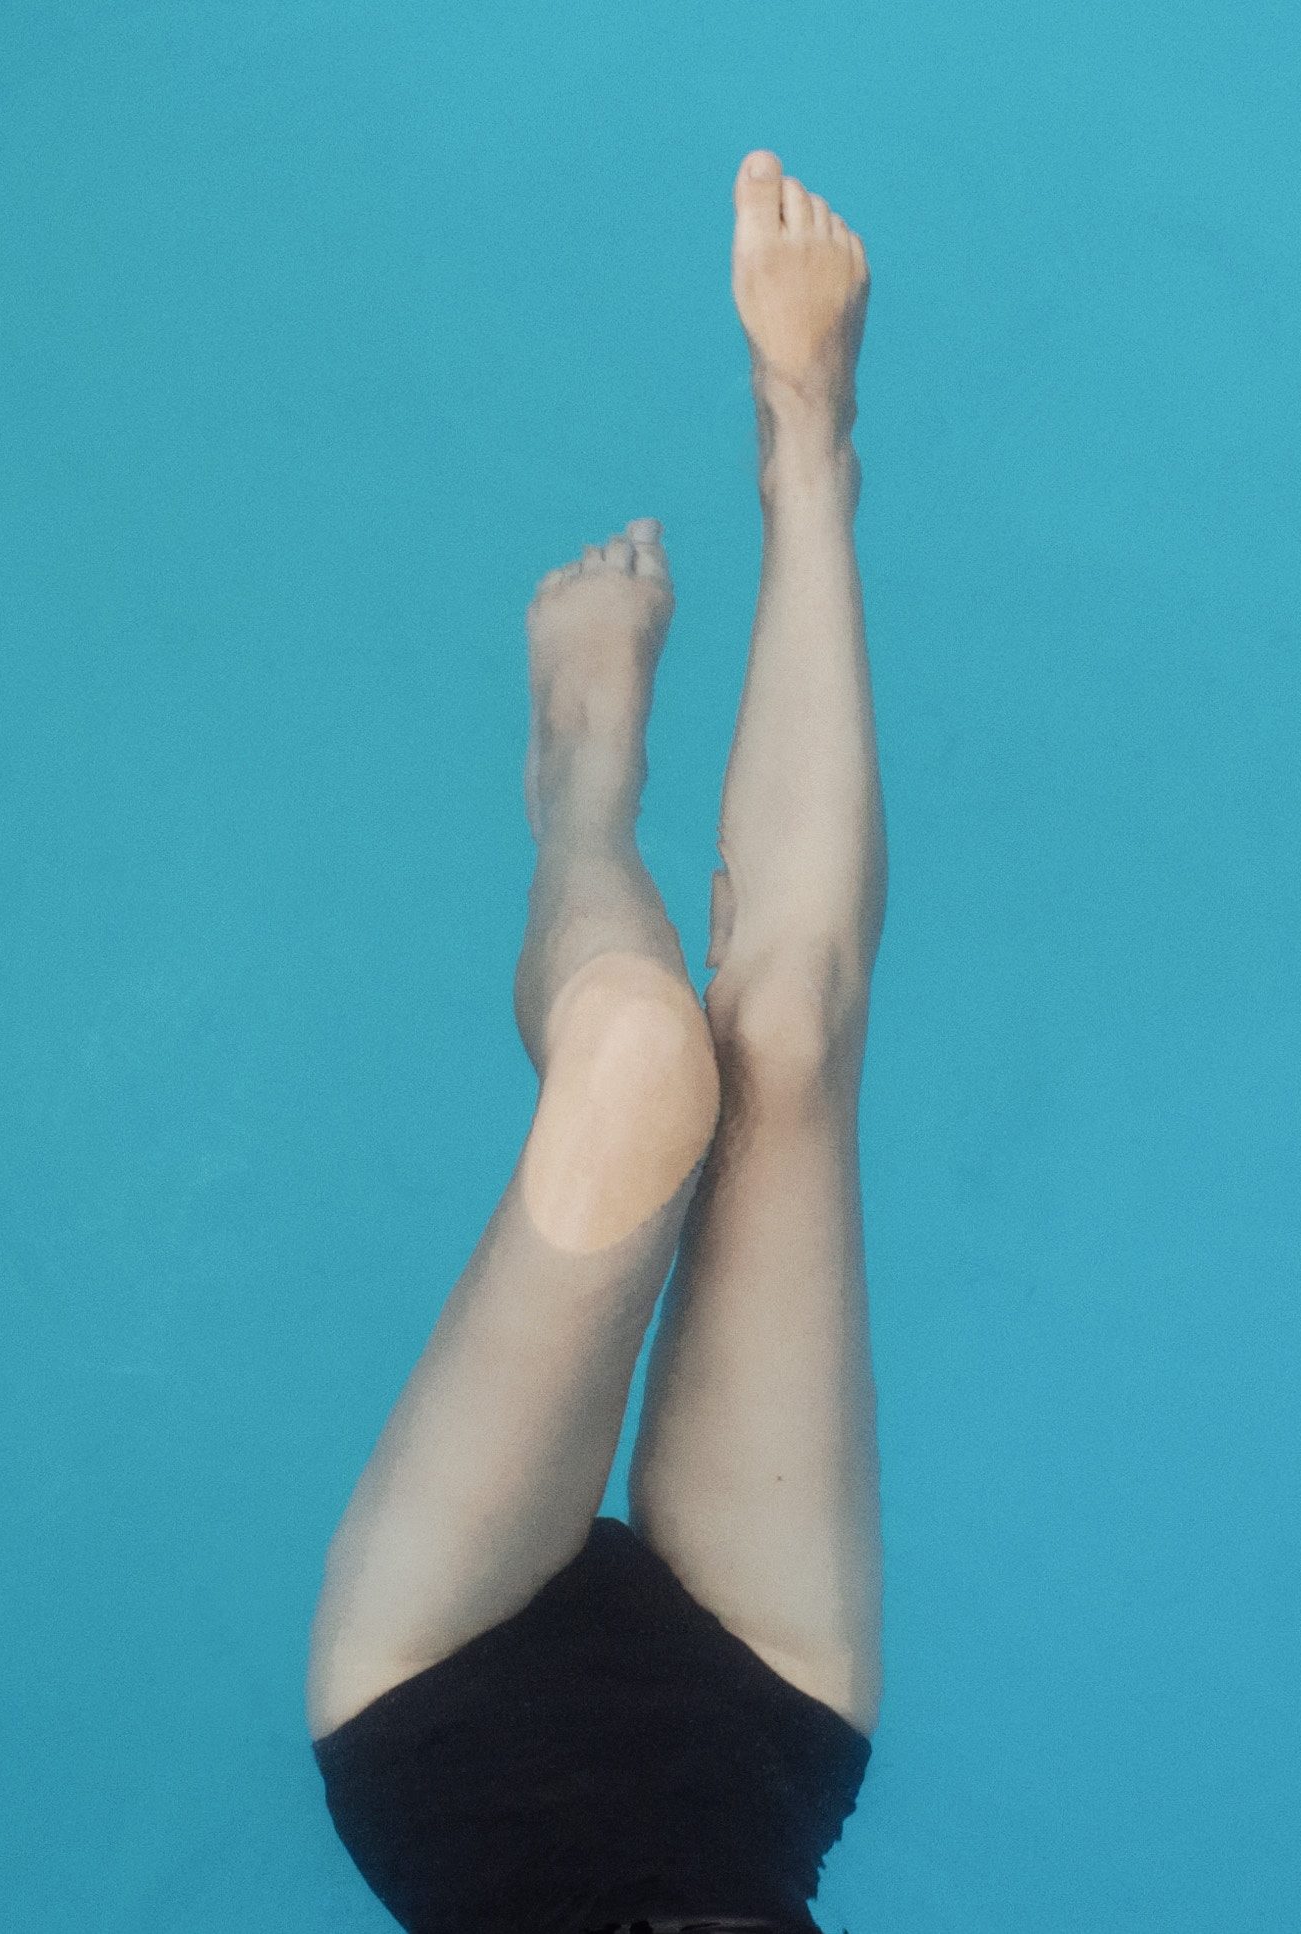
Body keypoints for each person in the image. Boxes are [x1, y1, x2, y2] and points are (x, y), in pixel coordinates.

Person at [303, 150, 886, 1934]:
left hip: (446, 1715)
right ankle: (809, 439)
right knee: (785, 1036)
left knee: (639, 1066)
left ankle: (580, 797)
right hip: (759, 1744)